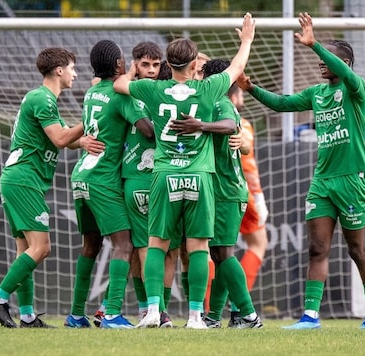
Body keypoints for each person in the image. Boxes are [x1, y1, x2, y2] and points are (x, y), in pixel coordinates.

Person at [238, 12, 365, 330]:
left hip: (352, 179)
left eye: (328, 60)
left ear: (343, 63)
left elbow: (346, 75)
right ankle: (309, 317)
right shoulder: (316, 94)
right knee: (317, 247)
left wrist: (314, 44)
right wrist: (251, 88)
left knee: (356, 248)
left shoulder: (355, 90)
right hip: (322, 180)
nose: (321, 64)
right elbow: (281, 103)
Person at [113, 12, 256, 329]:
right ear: (194, 65)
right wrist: (246, 39)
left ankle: (152, 311)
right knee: (199, 247)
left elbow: (120, 84)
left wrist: (137, 74)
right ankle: (195, 316)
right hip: (199, 176)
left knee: (157, 244)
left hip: (164, 176)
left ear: (167, 63)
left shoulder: (153, 89)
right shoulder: (207, 90)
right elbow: (236, 68)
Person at [0, 47, 104, 328]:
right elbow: (62, 139)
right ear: (59, 70)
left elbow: (66, 138)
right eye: (73, 68)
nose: (75, 73)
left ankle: (27, 316)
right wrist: (94, 113)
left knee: (25, 249)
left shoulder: (44, 100)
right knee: (42, 248)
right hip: (23, 180)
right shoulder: (42, 98)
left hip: (19, 179)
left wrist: (84, 139)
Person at [64, 40, 154, 329]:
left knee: (90, 244)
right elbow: (148, 131)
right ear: (118, 64)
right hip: (104, 179)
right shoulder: (121, 97)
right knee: (124, 245)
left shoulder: (91, 92)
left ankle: (76, 315)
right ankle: (112, 312)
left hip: (81, 177)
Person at [176, 58, 262, 329]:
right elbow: (236, 135)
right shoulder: (211, 103)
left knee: (224, 253)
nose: (198, 77)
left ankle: (248, 315)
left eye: (202, 73)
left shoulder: (219, 102)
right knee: (220, 253)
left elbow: (228, 127)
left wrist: (199, 126)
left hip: (226, 191)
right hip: (223, 190)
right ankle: (213, 316)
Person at [238, 116, 269, 295]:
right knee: (259, 243)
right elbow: (248, 165)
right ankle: (239, 304)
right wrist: (258, 197)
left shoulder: (204, 114)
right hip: (239, 192)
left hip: (207, 189)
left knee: (204, 249)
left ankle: (207, 310)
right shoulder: (240, 122)